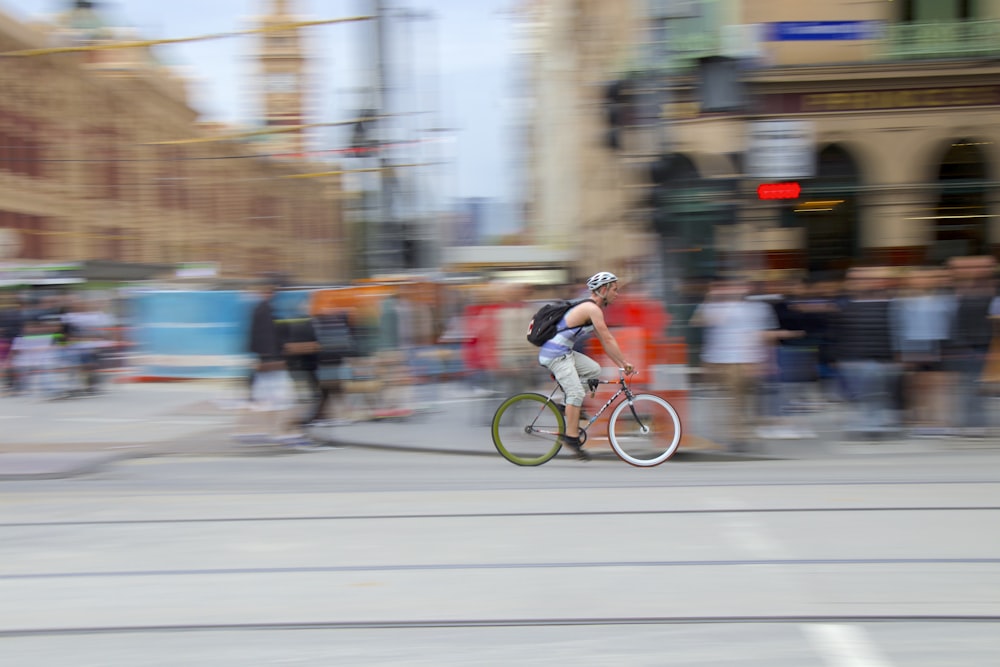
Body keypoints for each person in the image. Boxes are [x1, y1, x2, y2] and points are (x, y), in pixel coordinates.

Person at [537, 271, 634, 460]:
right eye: (615, 289)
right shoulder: (592, 309)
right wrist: (624, 362)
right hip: (555, 354)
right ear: (603, 289)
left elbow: (605, 343)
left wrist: (621, 363)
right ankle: (571, 437)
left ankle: (568, 406)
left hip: (563, 352)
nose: (617, 293)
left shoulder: (592, 309)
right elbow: (608, 337)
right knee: (577, 393)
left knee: (593, 370)